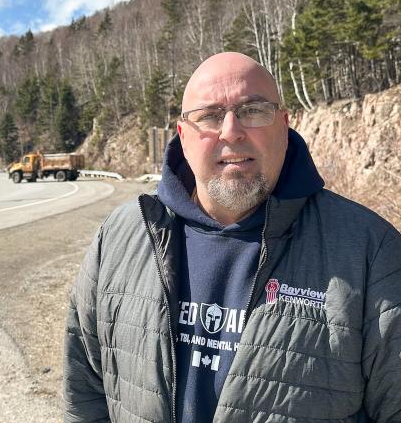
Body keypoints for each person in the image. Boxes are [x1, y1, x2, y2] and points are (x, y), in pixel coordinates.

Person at [63, 52, 401, 423]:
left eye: (253, 110)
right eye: (208, 116)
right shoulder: (120, 237)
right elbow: (86, 394)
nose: (230, 131)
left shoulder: (370, 251)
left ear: (285, 127)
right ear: (183, 136)